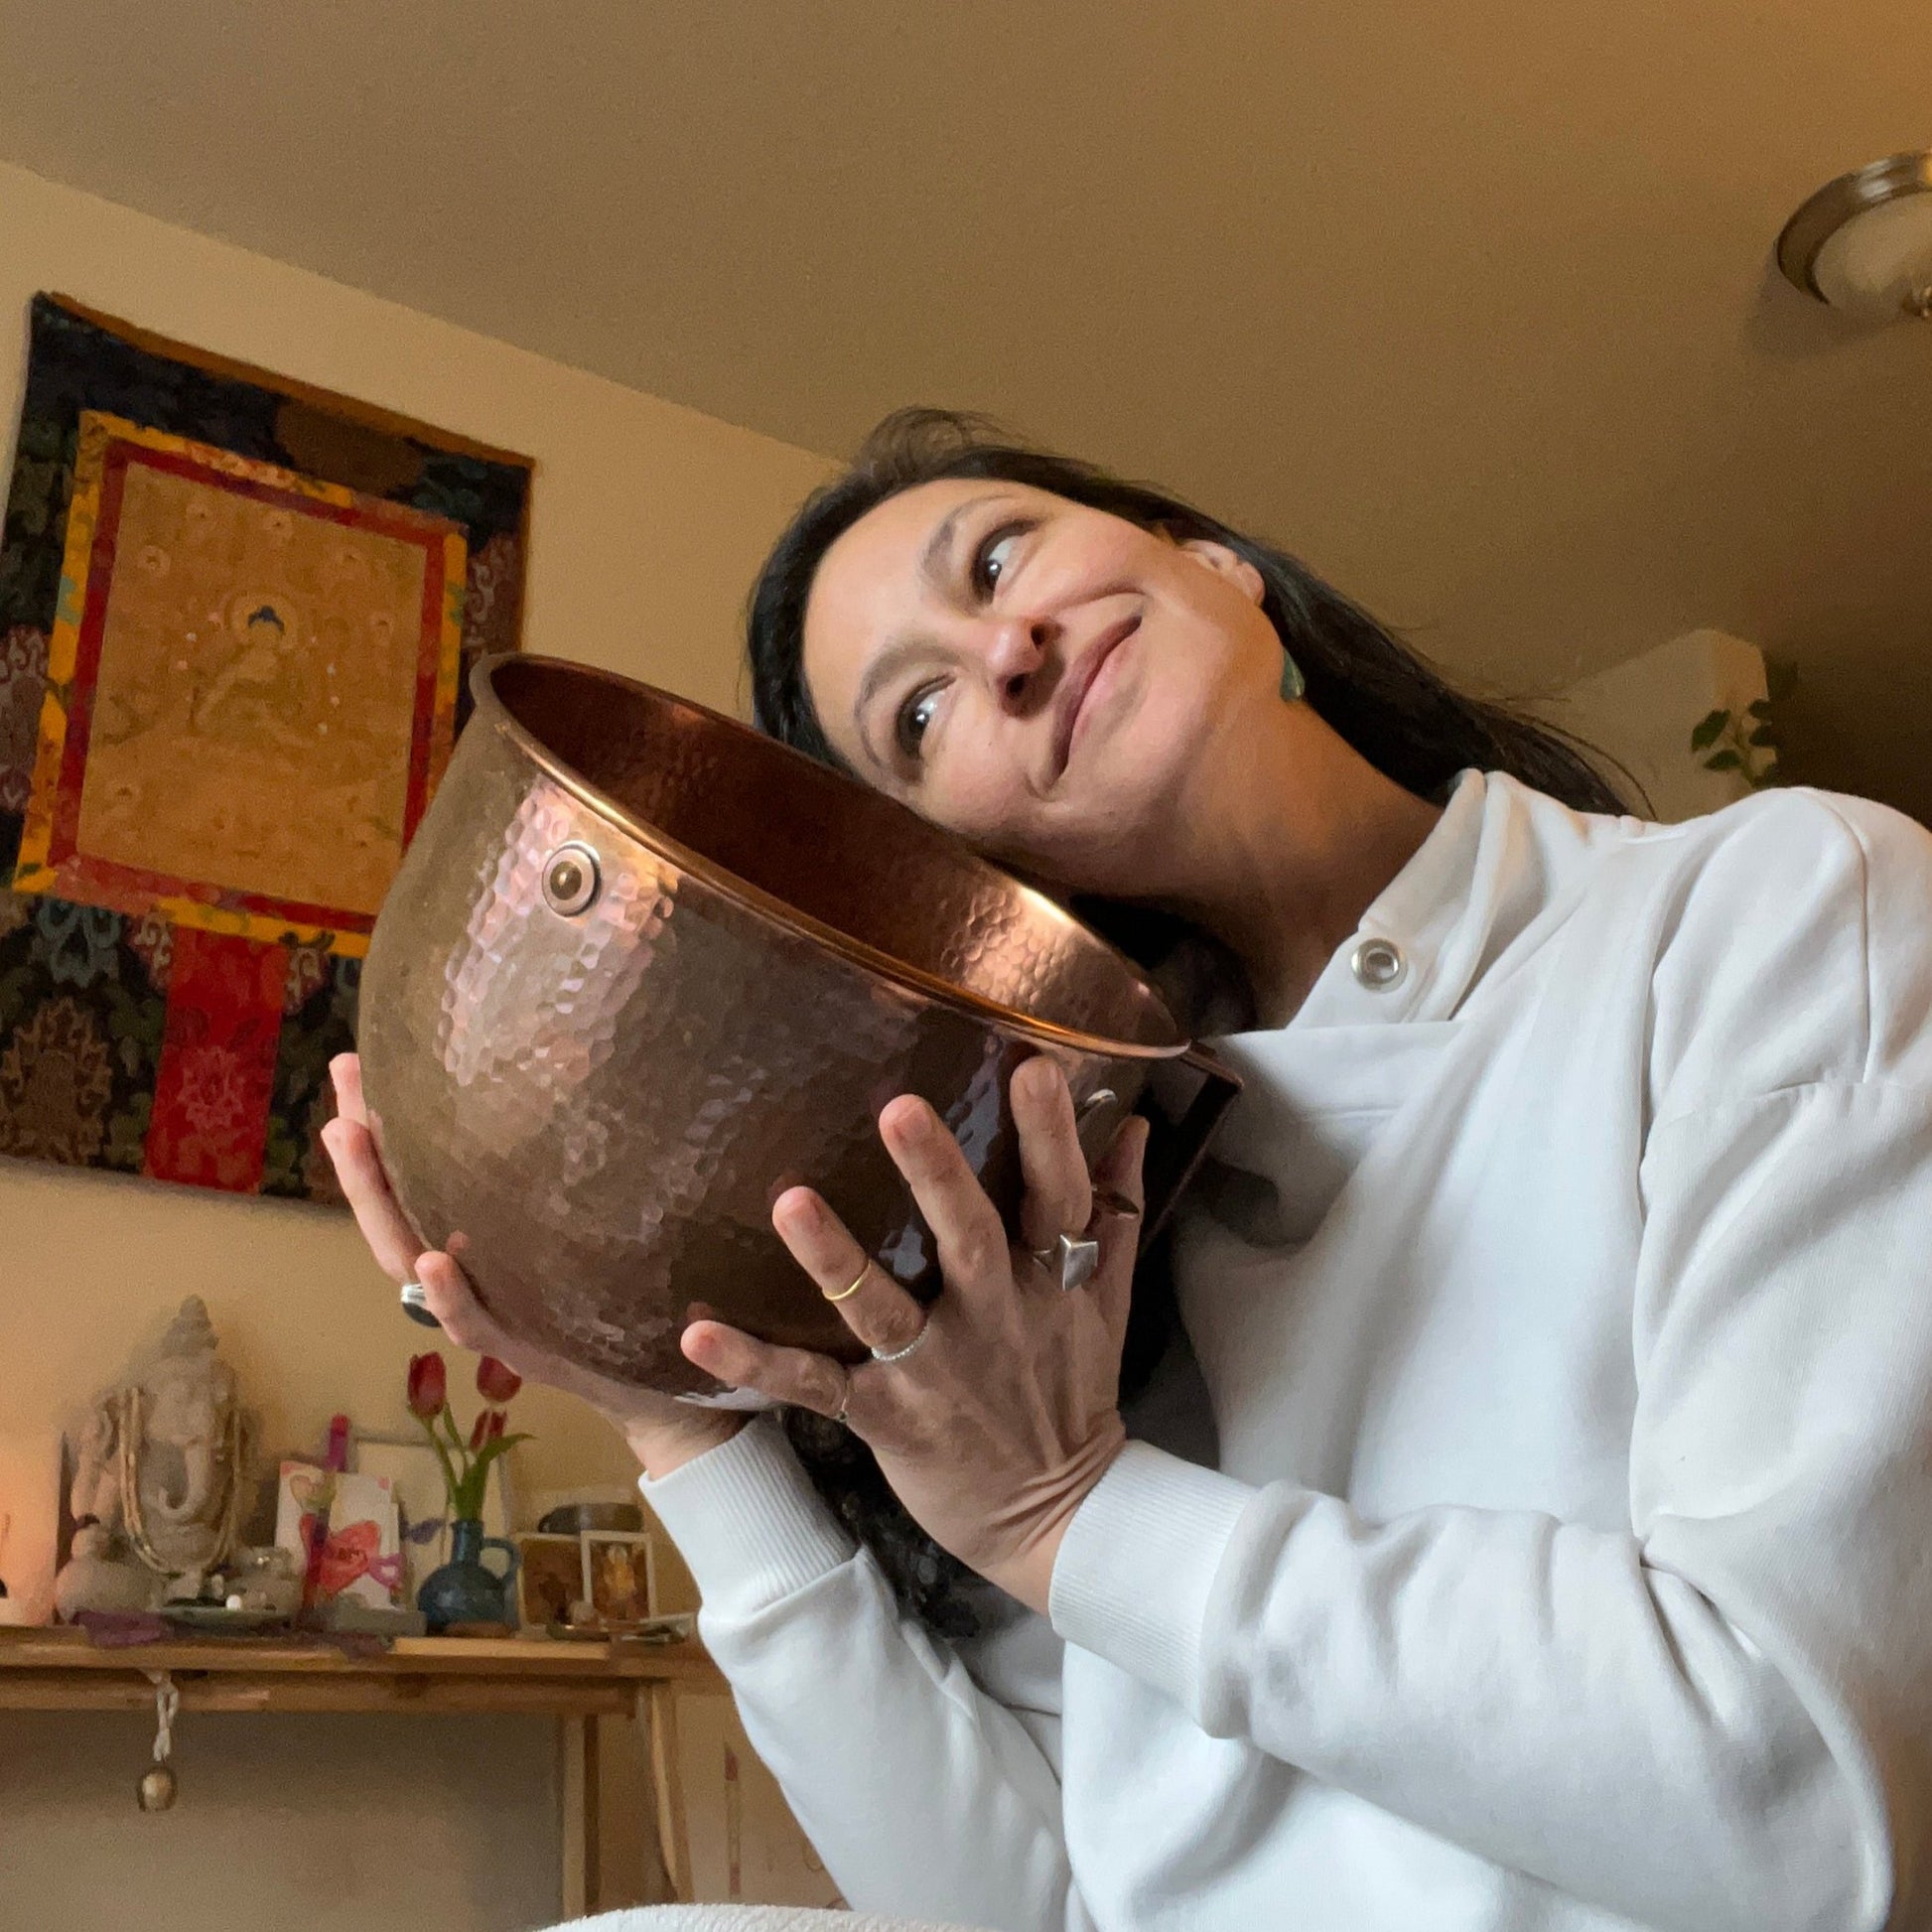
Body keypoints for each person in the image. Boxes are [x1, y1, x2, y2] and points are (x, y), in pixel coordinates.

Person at [325, 410, 1932, 1932]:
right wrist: (683, 1434)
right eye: (920, 715)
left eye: (999, 558)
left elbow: (1806, 1807)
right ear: (959, 881)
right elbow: (1024, 1906)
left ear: (1213, 560)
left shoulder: (1773, 911)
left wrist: (1077, 1513)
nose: (1003, 651)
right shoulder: (1080, 1220)